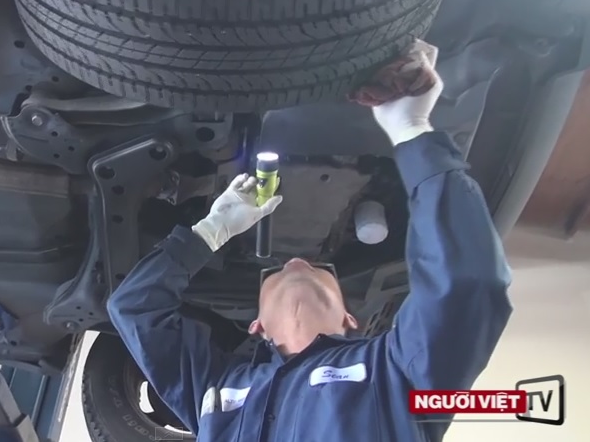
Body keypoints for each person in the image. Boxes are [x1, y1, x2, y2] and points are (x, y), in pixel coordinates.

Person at [106, 42, 513, 442]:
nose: (296, 263)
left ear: (256, 325)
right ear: (351, 319)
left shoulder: (213, 390)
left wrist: (208, 234)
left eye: (280, 272)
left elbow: (135, 309)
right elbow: (465, 283)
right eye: (319, 271)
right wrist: (413, 132)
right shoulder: (389, 369)